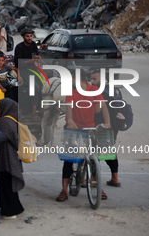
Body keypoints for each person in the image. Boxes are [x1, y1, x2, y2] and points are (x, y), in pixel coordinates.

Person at [56, 69, 111, 202]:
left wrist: (107, 123)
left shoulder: (94, 89)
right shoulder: (71, 92)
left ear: (77, 79)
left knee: (93, 158)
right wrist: (70, 121)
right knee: (69, 159)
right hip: (74, 128)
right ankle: (64, 190)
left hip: (89, 128)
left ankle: (98, 186)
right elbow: (69, 109)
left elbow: (103, 107)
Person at [91, 70, 121, 187]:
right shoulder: (114, 89)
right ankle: (115, 178)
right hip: (114, 126)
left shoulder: (99, 92)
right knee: (108, 150)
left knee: (93, 150)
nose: (92, 82)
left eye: (94, 79)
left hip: (101, 126)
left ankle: (93, 179)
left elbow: (98, 110)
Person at [0, 98, 25, 219]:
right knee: (9, 183)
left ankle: (10, 211)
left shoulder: (5, 121)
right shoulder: (12, 120)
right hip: (11, 155)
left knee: (6, 184)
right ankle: (13, 208)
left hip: (6, 157)